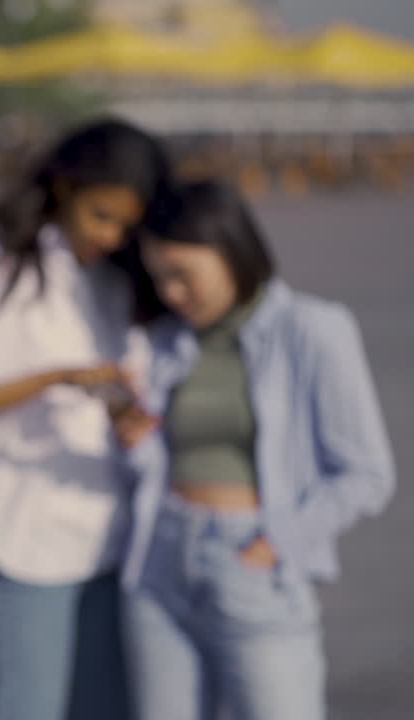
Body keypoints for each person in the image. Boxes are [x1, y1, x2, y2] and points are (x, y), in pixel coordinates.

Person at [0, 118, 172, 720]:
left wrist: (125, 414)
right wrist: (57, 378)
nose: (110, 235)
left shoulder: (118, 283)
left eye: (126, 225)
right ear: (64, 188)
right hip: (25, 536)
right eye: (100, 215)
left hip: (117, 538)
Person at [116, 180, 395, 720]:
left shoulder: (313, 328)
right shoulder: (168, 340)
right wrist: (136, 438)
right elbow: (159, 460)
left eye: (183, 274)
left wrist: (279, 541)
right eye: (159, 278)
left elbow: (367, 474)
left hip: (250, 563)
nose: (171, 293)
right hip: (159, 563)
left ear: (229, 249)